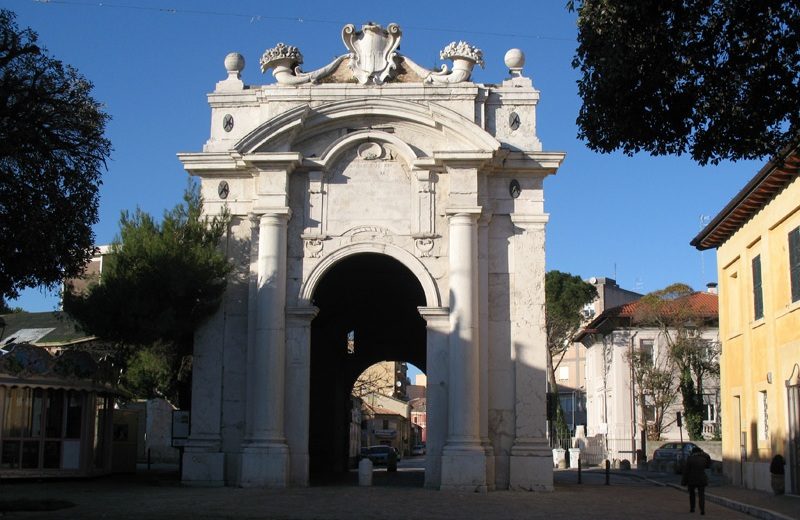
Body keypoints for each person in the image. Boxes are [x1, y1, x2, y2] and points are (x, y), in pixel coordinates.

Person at [682, 446, 711, 514]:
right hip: (701, 479)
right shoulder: (704, 458)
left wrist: (684, 481)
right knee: (701, 495)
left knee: (692, 495)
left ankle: (692, 508)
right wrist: (704, 453)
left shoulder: (690, 459)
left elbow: (686, 471)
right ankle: (702, 509)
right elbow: (708, 465)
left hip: (691, 479)